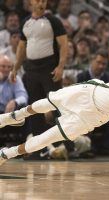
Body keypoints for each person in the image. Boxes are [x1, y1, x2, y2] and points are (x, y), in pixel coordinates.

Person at [9, 0, 68, 159]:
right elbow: (22, 47)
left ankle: (66, 145)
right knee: (34, 109)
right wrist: (15, 68)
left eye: (44, 0)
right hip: (31, 70)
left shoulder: (53, 21)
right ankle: (38, 149)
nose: (41, 3)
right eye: (38, 0)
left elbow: (63, 44)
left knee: (56, 106)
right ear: (31, 3)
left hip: (49, 69)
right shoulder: (25, 23)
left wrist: (61, 66)